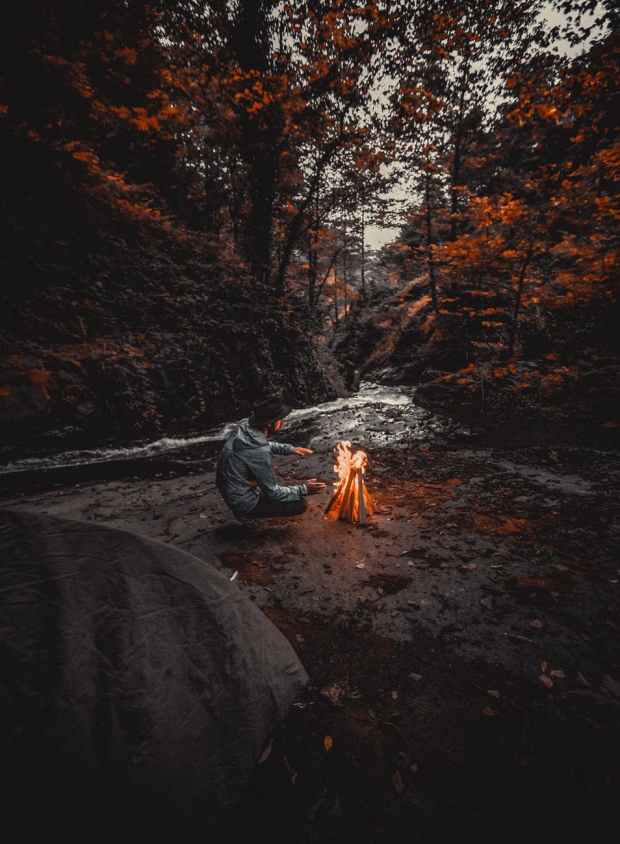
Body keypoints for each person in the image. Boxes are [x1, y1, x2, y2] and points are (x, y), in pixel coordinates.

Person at [216, 396, 326, 520]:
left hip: (230, 487)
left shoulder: (245, 427)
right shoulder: (258, 452)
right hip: (242, 501)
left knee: (270, 483)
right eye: (279, 420)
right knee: (299, 504)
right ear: (269, 424)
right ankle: (246, 514)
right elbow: (274, 494)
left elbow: (261, 445)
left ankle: (248, 499)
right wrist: (304, 489)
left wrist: (290, 449)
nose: (282, 423)